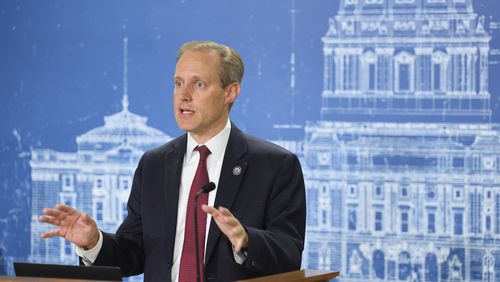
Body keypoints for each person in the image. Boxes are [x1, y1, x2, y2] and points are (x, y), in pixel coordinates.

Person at [39, 41, 306, 282]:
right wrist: (93, 242)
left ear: (230, 92)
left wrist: (246, 240)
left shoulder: (275, 165)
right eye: (178, 83)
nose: (183, 95)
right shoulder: (154, 164)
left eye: (198, 84)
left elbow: (289, 253)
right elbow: (134, 252)